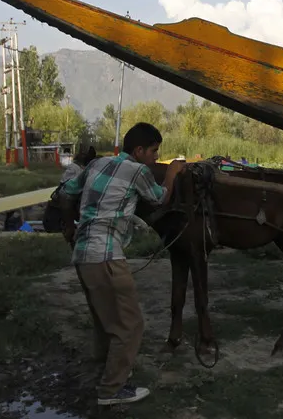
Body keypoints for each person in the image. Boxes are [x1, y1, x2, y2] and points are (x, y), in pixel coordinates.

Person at [59, 123, 185, 406]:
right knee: (130, 325)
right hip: (106, 256)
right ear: (139, 151)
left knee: (105, 321)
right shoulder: (138, 171)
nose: (156, 157)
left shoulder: (97, 163)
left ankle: (101, 372)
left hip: (82, 255)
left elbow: (66, 191)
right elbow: (158, 199)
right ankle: (111, 389)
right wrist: (173, 174)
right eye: (154, 151)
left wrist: (69, 227)